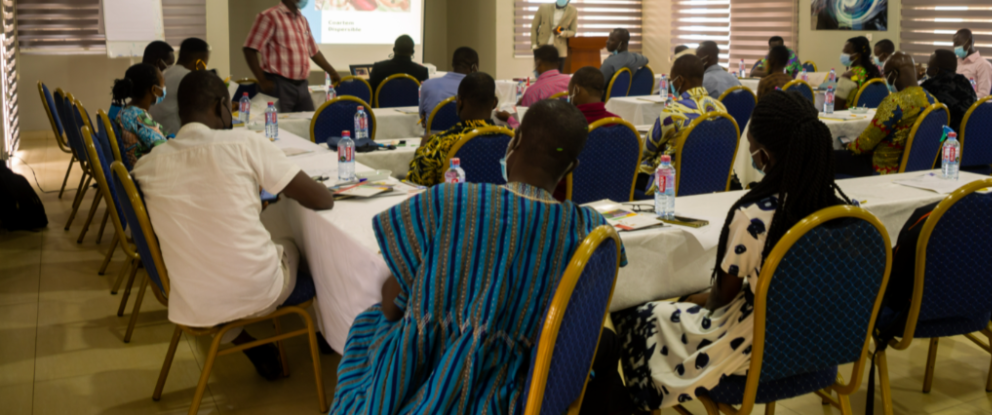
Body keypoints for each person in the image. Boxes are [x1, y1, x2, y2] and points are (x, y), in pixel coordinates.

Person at [330, 99, 629, 415]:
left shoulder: (449, 201)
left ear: (514, 141)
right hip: (527, 394)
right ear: (572, 167)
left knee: (368, 324)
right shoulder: (592, 233)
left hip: (426, 385)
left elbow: (391, 309)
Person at [613, 91, 855, 410]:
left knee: (635, 312)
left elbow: (721, 298)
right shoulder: (845, 213)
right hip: (820, 345)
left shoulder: (754, 217)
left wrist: (688, 298)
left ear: (764, 157)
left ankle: (643, 402)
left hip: (756, 351)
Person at [133, 71, 334, 380]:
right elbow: (322, 200)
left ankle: (243, 340)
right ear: (221, 106)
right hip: (259, 292)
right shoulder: (244, 142)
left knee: (204, 249)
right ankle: (328, 332)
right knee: (291, 239)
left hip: (190, 299)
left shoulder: (147, 165)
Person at [243, 0, 342, 113]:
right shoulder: (269, 16)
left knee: (308, 125)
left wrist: (332, 71)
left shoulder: (302, 19)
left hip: (302, 86)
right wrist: (262, 80)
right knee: (280, 129)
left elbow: (313, 51)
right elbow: (249, 48)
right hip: (278, 86)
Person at [834, 52, 937, 177]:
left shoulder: (894, 102)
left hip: (883, 168)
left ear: (893, 74)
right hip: (913, 168)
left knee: (825, 157)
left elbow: (865, 144)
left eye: (885, 74)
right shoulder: (931, 100)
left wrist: (849, 145)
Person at [637, 54, 726, 194]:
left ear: (679, 81)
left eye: (672, 81)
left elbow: (644, 151)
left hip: (673, 185)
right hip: (713, 180)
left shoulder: (673, 112)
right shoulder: (720, 108)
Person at [407, 72, 497, 186]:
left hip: (453, 203)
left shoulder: (439, 143)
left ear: (459, 103)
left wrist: (422, 149)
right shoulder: (512, 141)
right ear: (494, 103)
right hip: (501, 203)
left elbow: (416, 185)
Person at [496, 46, 571, 127]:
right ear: (558, 64)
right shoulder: (571, 82)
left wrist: (509, 118)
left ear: (538, 63)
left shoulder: (532, 92)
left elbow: (526, 129)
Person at [112, 63, 170, 168]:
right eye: (163, 84)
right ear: (154, 90)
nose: (164, 88)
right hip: (145, 171)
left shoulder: (127, 110)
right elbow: (165, 149)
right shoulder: (138, 117)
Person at [150, 37, 210, 134]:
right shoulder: (188, 77)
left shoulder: (166, 72)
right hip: (170, 137)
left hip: (156, 134)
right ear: (198, 63)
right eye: (205, 64)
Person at [920, 49, 978, 130]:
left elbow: (914, 103)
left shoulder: (930, 85)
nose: (926, 67)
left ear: (936, 70)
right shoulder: (964, 81)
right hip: (969, 133)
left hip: (942, 137)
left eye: (928, 64)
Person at [418, 46, 478, 124]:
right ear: (474, 67)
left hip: (434, 135)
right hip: (466, 135)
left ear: (452, 63)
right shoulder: (478, 89)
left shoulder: (427, 85)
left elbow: (422, 117)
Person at [529, 0, 577, 70]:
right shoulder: (544, 7)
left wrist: (560, 31)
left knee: (557, 77)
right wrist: (534, 45)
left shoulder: (573, 11)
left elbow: (573, 31)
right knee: (540, 76)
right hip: (542, 47)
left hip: (559, 50)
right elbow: (534, 27)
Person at [834, 36, 883, 110]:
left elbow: (836, 108)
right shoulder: (874, 73)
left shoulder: (847, 77)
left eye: (846, 52)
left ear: (858, 55)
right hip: (872, 118)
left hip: (849, 118)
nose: (843, 55)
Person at [954, 28, 992, 99]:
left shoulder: (983, 65)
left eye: (958, 44)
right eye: (954, 44)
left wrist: (961, 97)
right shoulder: (955, 63)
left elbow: (983, 95)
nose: (954, 46)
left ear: (969, 42)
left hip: (971, 106)